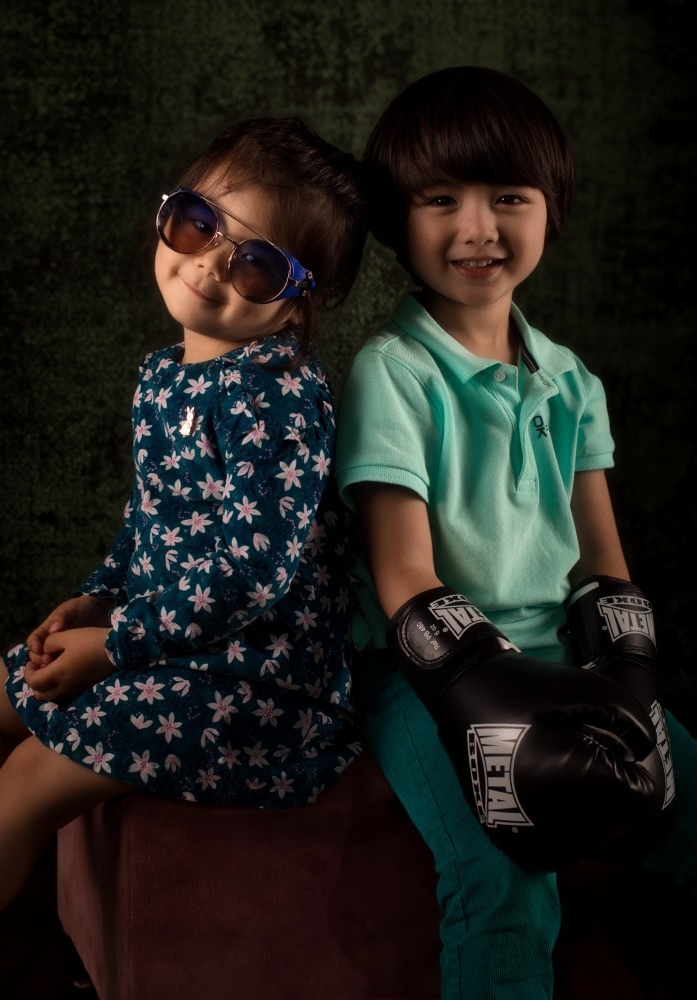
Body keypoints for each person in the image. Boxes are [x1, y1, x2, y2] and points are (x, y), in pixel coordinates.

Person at [335, 66, 697, 998]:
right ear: (396, 221)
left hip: (564, 658)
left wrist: (627, 684)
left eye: (509, 196)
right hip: (428, 676)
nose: (477, 229)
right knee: (502, 880)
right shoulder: (395, 370)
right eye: (440, 199)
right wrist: (495, 700)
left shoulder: (573, 379)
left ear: (553, 208)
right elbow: (403, 577)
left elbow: (605, 561)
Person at [0, 116, 368, 922]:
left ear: (301, 304)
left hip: (258, 683)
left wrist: (114, 644)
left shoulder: (280, 395)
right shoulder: (165, 376)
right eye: (198, 223)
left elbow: (249, 574)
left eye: (256, 265)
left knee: (26, 783)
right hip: (166, 640)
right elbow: (150, 520)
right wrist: (98, 596)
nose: (208, 265)